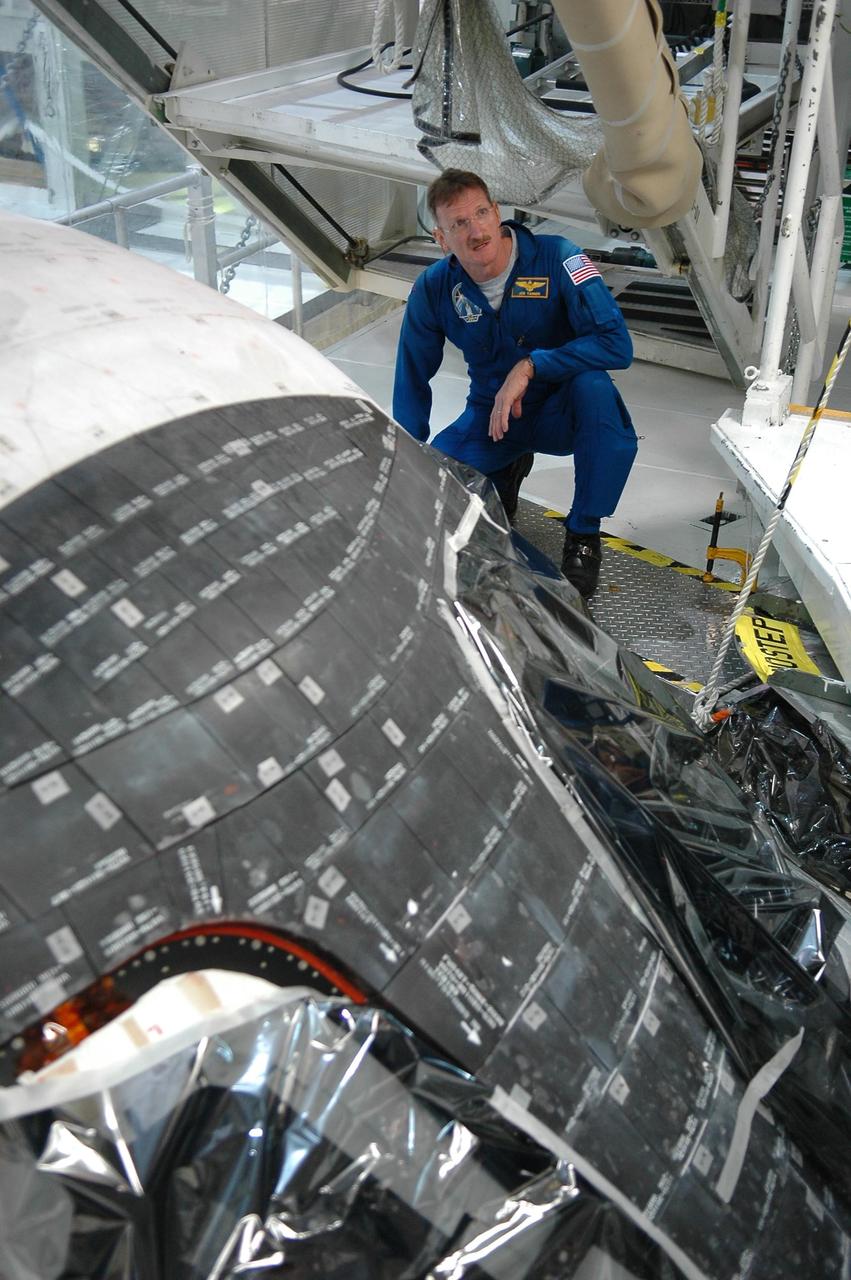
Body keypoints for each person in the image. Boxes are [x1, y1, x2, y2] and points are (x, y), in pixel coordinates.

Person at [392, 168, 638, 597]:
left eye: (481, 213)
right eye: (459, 224)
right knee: (433, 494)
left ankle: (583, 534)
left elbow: (616, 345)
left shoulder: (558, 257)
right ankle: (506, 466)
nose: (476, 230)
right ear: (441, 238)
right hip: (493, 417)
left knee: (594, 389)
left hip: (563, 410)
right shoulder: (433, 288)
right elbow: (412, 374)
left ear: (497, 213)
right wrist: (407, 456)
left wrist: (531, 366)